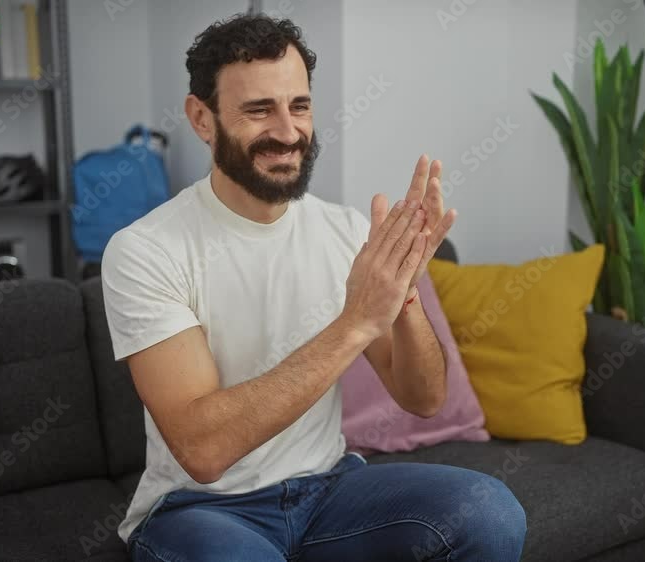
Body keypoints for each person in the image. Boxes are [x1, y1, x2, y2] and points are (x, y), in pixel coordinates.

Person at [101, 13, 527, 561]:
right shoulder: (145, 250)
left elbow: (424, 400)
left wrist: (404, 293)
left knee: (490, 513)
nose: (287, 131)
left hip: (328, 491)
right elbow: (203, 450)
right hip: (201, 507)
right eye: (259, 110)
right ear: (201, 119)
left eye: (298, 105)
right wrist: (357, 322)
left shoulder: (345, 230)